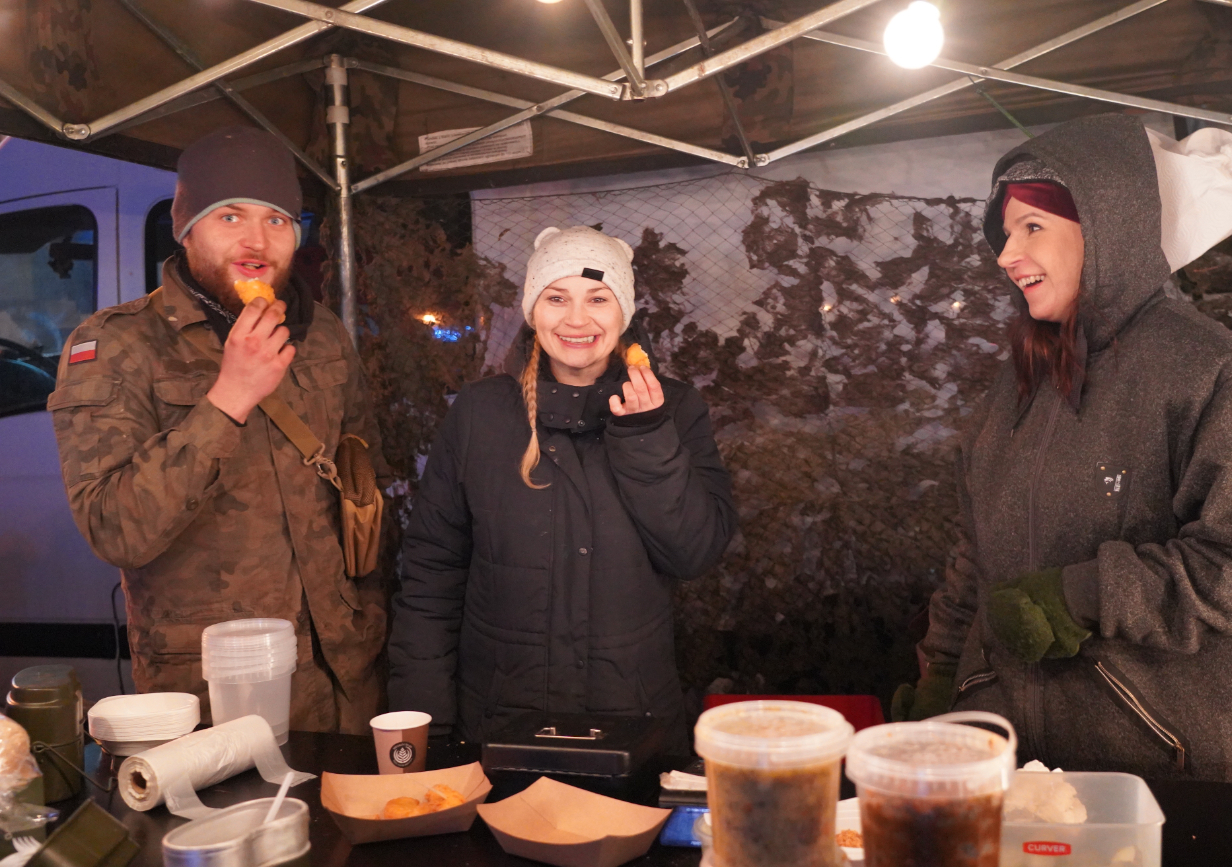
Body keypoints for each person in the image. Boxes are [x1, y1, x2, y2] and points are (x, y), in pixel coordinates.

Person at [892, 114, 1232, 781]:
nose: (1005, 255)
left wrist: (1081, 596)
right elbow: (976, 556)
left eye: (1033, 228)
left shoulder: (1212, 375)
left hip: (1171, 773)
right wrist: (942, 680)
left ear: (1105, 226)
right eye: (1004, 232)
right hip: (1019, 768)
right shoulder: (1016, 388)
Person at [48, 126, 390, 734]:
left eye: (278, 220)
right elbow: (113, 528)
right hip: (217, 697)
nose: (257, 240)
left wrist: (375, 615)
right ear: (187, 229)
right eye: (230, 216)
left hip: (345, 675)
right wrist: (228, 397)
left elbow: (363, 482)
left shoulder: (323, 336)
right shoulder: (116, 345)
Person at [388, 225, 737, 749]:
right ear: (533, 310)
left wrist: (645, 437)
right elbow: (432, 570)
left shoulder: (676, 409)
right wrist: (425, 721)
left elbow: (694, 552)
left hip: (632, 719)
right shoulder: (481, 414)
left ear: (624, 312)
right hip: (500, 718)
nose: (577, 319)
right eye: (557, 298)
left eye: (598, 297)